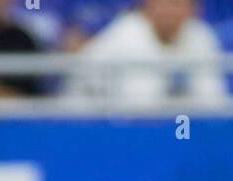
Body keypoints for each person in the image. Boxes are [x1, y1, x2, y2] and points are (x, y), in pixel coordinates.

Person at [73, 0, 225, 107]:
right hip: (109, 129)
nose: (171, 11)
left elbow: (212, 103)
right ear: (149, 4)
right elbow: (140, 109)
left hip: (182, 133)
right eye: (167, 2)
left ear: (194, 9)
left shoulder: (201, 36)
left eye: (179, 3)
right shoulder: (126, 33)